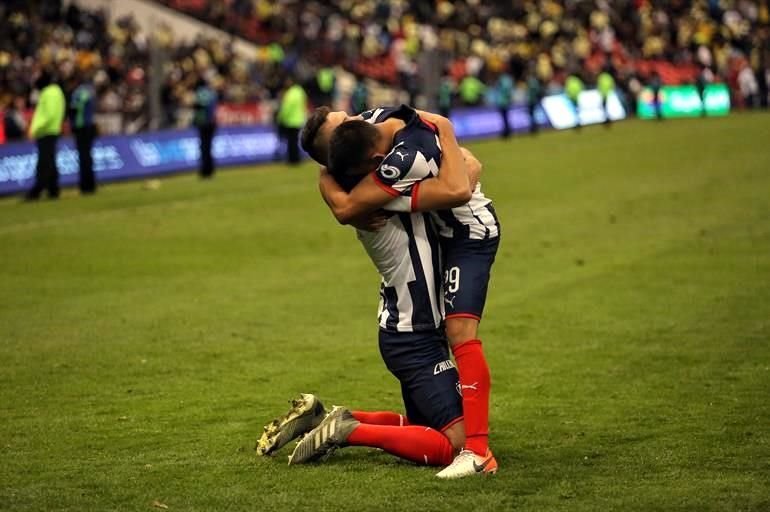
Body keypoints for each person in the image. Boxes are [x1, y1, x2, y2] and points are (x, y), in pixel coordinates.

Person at [258, 111, 479, 475]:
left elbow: (332, 183)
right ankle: (349, 431)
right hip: (414, 337)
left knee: (425, 427)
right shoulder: (383, 189)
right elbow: (463, 180)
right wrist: (444, 131)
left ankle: (324, 419)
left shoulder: (358, 192)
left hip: (404, 330)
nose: (356, 119)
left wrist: (342, 207)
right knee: (457, 443)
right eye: (343, 122)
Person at [25, 71, 65, 201]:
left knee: (44, 162)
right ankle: (53, 189)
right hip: (52, 130)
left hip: (46, 131)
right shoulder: (56, 91)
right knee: (50, 161)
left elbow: (48, 115)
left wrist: (36, 129)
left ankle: (38, 189)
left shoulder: (49, 93)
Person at [69, 74, 98, 193]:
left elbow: (74, 108)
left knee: (83, 157)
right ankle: (90, 184)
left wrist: (71, 123)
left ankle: (85, 185)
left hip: (82, 127)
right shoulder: (91, 91)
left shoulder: (79, 92)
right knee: (88, 156)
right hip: (90, 126)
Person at [275, 76, 308, 165]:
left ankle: (292, 159)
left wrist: (280, 118)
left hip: (290, 120)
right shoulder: (301, 91)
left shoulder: (290, 93)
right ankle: (296, 158)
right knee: (294, 141)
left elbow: (286, 107)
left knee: (291, 141)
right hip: (299, 119)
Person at [193, 78, 218, 178]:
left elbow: (199, 105)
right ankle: (210, 170)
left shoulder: (200, 93)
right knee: (209, 147)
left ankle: (205, 171)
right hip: (212, 123)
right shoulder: (212, 93)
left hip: (204, 123)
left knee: (204, 147)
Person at [494, 72, 514, 137]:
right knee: (505, 118)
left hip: (502, 103)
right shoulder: (507, 80)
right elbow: (508, 91)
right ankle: (507, 131)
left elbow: (503, 91)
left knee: (504, 118)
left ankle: (507, 132)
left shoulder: (502, 80)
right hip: (504, 102)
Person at [526, 68, 543, 134]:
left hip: (532, 100)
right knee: (532, 114)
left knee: (532, 114)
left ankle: (534, 128)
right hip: (532, 100)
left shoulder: (532, 81)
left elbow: (535, 90)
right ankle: (534, 127)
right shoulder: (533, 81)